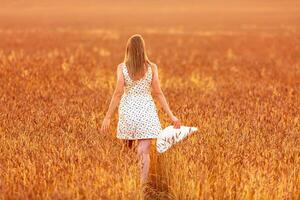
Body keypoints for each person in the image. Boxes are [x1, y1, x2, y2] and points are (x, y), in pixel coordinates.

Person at [100, 34, 181, 186]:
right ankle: (142, 187)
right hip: (146, 112)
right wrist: (171, 116)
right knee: (144, 152)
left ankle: (128, 184)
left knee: (127, 150)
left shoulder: (122, 68)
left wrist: (108, 117)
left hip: (128, 111)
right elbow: (158, 93)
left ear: (128, 49)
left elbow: (117, 93)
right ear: (143, 49)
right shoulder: (152, 68)